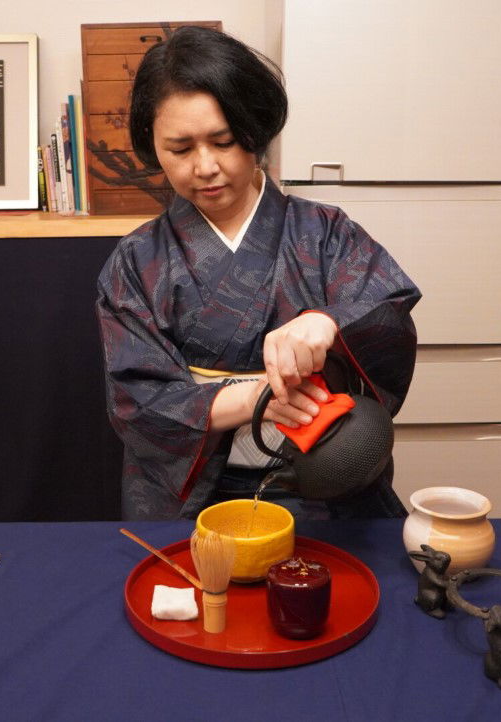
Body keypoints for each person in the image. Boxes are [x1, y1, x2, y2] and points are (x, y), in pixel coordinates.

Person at [97, 26, 420, 520]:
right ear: (152, 146)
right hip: (197, 495)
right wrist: (258, 398)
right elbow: (135, 400)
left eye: (223, 141)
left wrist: (330, 324)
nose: (205, 166)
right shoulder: (137, 261)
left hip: (320, 480)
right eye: (180, 150)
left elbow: (388, 313)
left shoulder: (323, 233)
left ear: (255, 130)